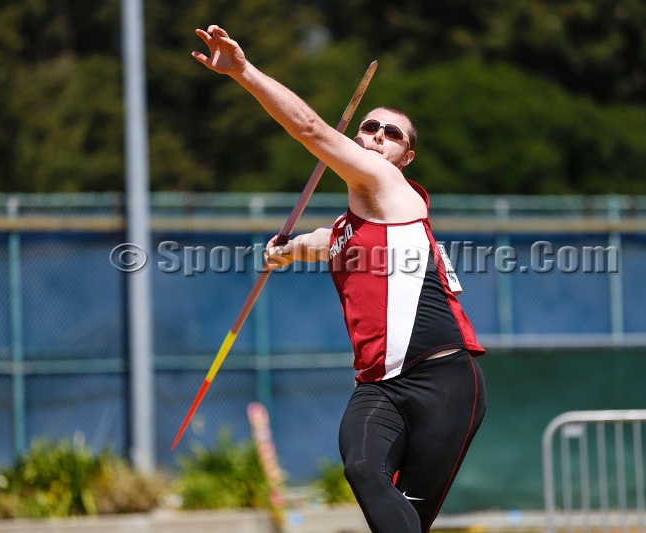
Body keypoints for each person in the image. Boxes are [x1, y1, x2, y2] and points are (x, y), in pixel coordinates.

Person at [193, 25, 487, 533]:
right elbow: (322, 242)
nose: (376, 137)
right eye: (369, 128)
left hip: (444, 378)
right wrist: (283, 252)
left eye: (391, 134)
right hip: (378, 385)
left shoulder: (388, 185)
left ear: (406, 157)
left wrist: (243, 72)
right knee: (362, 470)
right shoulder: (349, 224)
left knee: (410, 517)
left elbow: (309, 128)